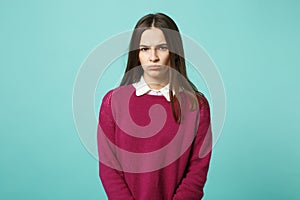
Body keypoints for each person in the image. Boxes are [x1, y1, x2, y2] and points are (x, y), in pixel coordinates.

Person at [97, 13, 212, 200]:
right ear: (137, 53)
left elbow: (197, 170)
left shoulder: (196, 106)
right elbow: (109, 168)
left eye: (162, 48)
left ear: (174, 51)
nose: (153, 57)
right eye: (144, 49)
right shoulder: (113, 102)